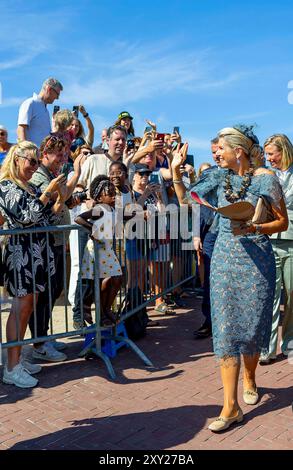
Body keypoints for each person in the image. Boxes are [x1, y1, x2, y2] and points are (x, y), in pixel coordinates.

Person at [172, 125, 288, 432]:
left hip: (257, 260)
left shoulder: (266, 179)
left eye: (220, 149)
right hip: (223, 258)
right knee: (224, 329)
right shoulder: (216, 177)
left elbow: (282, 220)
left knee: (250, 329)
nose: (216, 153)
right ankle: (230, 406)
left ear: (238, 151)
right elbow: (186, 200)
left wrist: (257, 228)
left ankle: (251, 377)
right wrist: (175, 174)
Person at [0, 141, 67, 388]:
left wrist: (60, 195)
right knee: (20, 308)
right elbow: (27, 217)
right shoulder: (6, 187)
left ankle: (17, 360)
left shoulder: (26, 187)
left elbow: (45, 215)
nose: (34, 166)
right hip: (21, 255)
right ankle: (11, 366)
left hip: (35, 253)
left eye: (37, 162)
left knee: (28, 307)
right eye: (31, 161)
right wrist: (48, 191)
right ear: (16, 158)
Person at [28, 134, 83, 362]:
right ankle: (39, 343)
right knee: (44, 295)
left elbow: (61, 202)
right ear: (45, 154)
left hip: (57, 241)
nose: (62, 159)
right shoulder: (41, 178)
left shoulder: (52, 175)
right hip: (46, 243)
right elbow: (47, 208)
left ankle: (44, 337)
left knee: (53, 290)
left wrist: (72, 200)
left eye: (63, 155)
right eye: (58, 155)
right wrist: (75, 176)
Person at [259, 134, 293, 363]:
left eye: (272, 154)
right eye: (266, 154)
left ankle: (289, 343)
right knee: (270, 295)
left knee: (291, 295)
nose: (268, 158)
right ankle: (267, 348)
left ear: (284, 152)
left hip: (292, 240)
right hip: (269, 239)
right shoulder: (265, 176)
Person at [75, 176, 122, 326]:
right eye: (110, 194)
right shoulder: (99, 209)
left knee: (117, 278)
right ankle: (102, 313)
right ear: (100, 196)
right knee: (106, 280)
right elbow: (79, 219)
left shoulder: (112, 208)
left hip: (107, 248)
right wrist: (92, 229)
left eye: (114, 193)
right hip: (97, 249)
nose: (114, 196)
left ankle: (106, 309)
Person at [193, 138, 220, 339]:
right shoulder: (208, 175)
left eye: (220, 149)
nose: (217, 154)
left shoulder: (244, 174)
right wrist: (195, 234)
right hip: (211, 233)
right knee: (209, 279)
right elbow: (193, 202)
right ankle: (209, 322)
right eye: (213, 151)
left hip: (235, 233)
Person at [17, 78, 63, 146]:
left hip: (42, 155)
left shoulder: (46, 111)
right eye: (57, 94)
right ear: (49, 89)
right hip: (31, 154)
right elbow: (21, 129)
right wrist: (25, 151)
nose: (57, 98)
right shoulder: (30, 103)